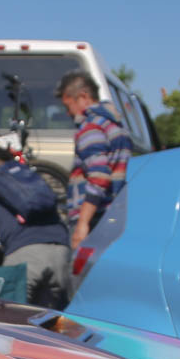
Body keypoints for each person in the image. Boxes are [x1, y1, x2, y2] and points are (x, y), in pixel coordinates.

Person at [0, 146, 73, 308]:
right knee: (48, 321)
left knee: (11, 320)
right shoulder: (31, 176)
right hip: (61, 252)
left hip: (23, 256)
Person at [56, 70, 131, 250]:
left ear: (83, 96)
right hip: (113, 215)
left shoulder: (90, 128)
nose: (68, 113)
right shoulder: (115, 125)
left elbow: (99, 177)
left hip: (94, 218)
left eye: (68, 105)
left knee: (84, 267)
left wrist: (82, 225)